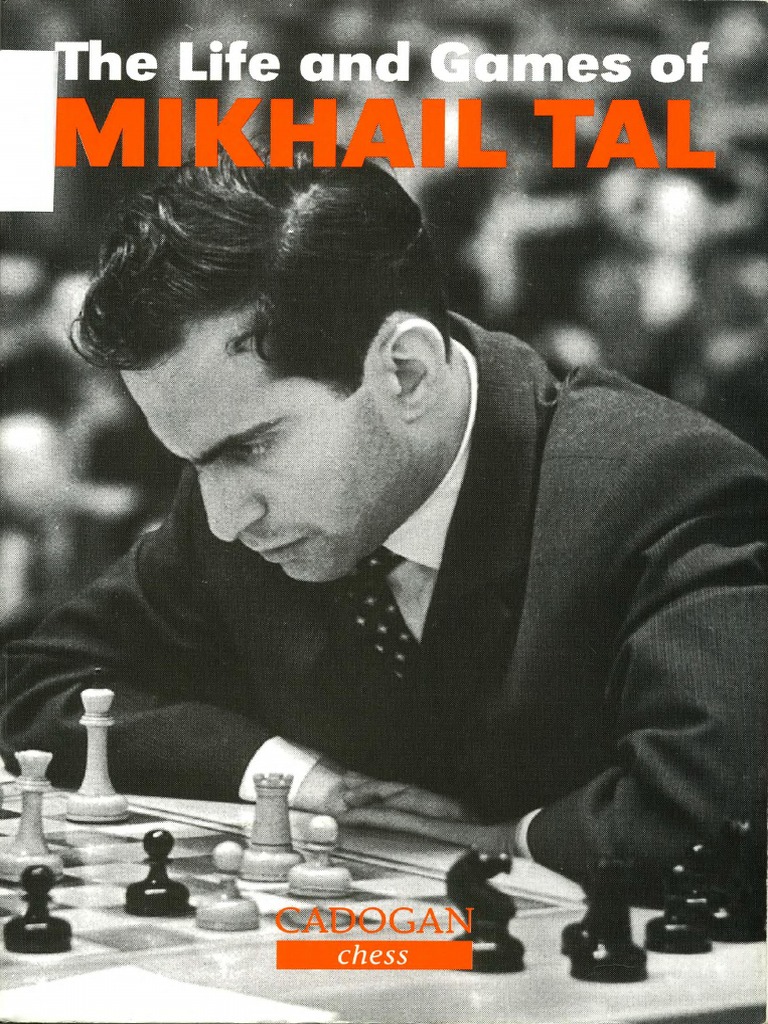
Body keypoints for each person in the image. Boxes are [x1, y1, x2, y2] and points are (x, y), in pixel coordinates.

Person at [1, 151, 766, 897]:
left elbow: (718, 808)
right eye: (194, 462)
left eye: (252, 447)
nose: (227, 520)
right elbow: (37, 684)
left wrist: (511, 838)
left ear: (407, 371)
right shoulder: (230, 496)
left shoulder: (666, 490)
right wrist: (294, 777)